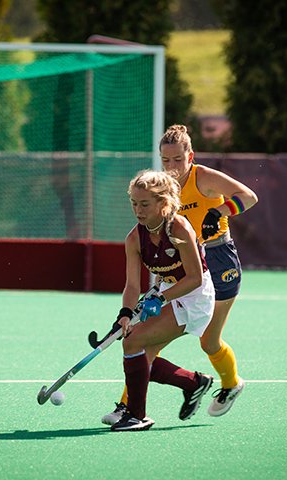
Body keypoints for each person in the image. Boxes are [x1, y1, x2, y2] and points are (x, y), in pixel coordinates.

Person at [102, 124, 258, 424]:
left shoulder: (204, 178)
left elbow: (249, 196)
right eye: (166, 160)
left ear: (191, 156)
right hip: (179, 268)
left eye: (177, 159)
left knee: (209, 342)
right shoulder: (159, 189)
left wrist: (220, 212)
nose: (172, 167)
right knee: (147, 342)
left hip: (218, 260)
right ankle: (128, 405)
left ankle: (231, 384)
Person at [110, 169, 216, 431]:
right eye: (134, 203)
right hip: (167, 293)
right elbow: (132, 285)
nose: (138, 210)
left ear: (163, 203)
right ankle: (193, 383)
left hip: (194, 297)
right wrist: (124, 313)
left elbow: (194, 278)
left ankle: (136, 416)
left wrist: (160, 298)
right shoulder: (134, 238)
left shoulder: (178, 228)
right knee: (140, 359)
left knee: (134, 342)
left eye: (145, 204)